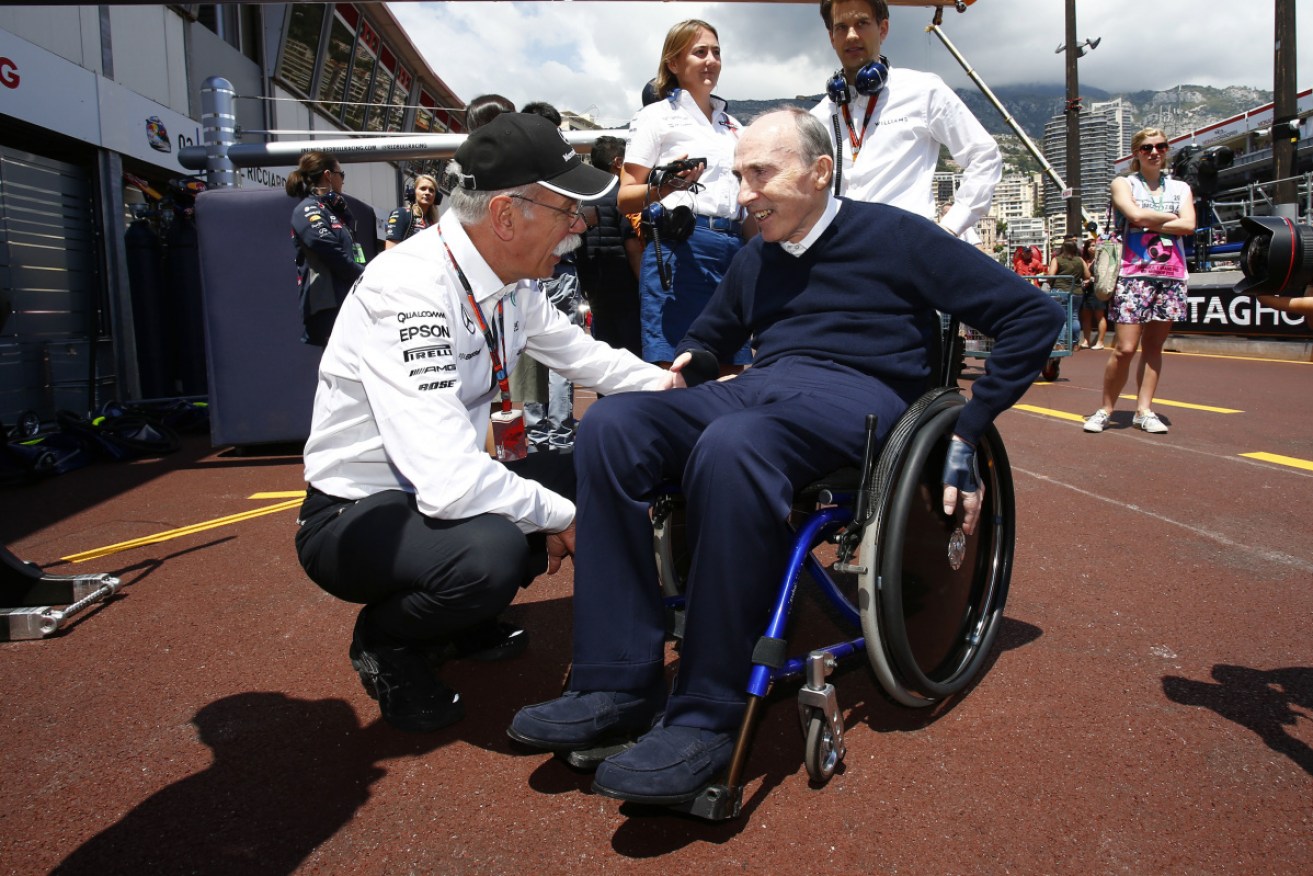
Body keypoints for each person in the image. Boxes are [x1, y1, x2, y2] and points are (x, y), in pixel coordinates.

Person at [507, 109, 1063, 805]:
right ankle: (614, 680)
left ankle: (707, 715)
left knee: (733, 446)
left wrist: (967, 430)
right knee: (612, 425)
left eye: (759, 174)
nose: (743, 192)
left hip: (859, 400)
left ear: (819, 171)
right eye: (739, 175)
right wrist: (698, 358)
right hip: (768, 389)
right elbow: (713, 338)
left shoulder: (896, 236)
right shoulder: (757, 255)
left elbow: (1032, 317)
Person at [294, 113, 678, 734]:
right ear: (505, 215)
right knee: (490, 554)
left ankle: (460, 619)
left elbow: (592, 360)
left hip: (443, 488)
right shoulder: (410, 289)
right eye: (567, 209)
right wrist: (567, 519)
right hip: (353, 513)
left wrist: (681, 386)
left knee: (594, 465)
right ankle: (389, 639)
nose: (579, 226)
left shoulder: (507, 281)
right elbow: (448, 483)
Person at [618, 19, 755, 370]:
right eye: (699, 52)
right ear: (674, 63)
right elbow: (625, 197)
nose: (711, 60)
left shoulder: (735, 126)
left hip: (734, 249)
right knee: (674, 368)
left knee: (732, 368)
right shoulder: (655, 117)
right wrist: (666, 187)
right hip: (680, 249)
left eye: (716, 52)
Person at [810, 0, 1001, 239]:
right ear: (831, 37)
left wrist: (949, 228)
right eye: (841, 27)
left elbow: (985, 155)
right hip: (842, 255)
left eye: (862, 23)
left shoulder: (923, 91)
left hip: (908, 253)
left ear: (883, 29)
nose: (851, 35)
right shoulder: (818, 117)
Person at [1084, 128, 1195, 435]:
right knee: (1125, 348)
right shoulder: (1124, 183)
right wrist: (1171, 219)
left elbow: (1190, 225)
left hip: (1171, 275)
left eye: (1160, 146)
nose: (1154, 152)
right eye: (1147, 147)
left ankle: (1143, 410)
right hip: (1133, 274)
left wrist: (1149, 218)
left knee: (1154, 347)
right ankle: (1106, 408)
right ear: (1136, 152)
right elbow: (1134, 214)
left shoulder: (1181, 188)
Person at [286, 151, 365, 346]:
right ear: (329, 175)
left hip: (349, 301)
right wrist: (365, 276)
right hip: (328, 306)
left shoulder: (337, 212)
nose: (343, 181)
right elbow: (328, 249)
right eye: (341, 174)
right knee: (337, 371)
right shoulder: (308, 209)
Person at [578, 135, 644, 357]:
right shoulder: (622, 196)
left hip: (596, 289)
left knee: (606, 353)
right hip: (626, 288)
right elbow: (633, 247)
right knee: (633, 354)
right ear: (617, 163)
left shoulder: (582, 196)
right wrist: (645, 285)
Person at [1047, 235, 1090, 350]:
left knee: (1062, 317)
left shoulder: (1057, 259)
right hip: (1076, 291)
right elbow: (1087, 276)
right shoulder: (1080, 260)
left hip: (1060, 290)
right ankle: (1075, 343)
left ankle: (1061, 343)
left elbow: (1051, 275)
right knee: (1074, 317)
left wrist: (1048, 281)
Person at [384, 174, 440, 250]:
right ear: (413, 193)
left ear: (436, 197)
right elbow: (390, 250)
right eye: (423, 189)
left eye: (431, 190)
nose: (427, 192)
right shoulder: (401, 213)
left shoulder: (434, 224)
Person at [1080, 237, 1108, 349]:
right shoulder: (1084, 260)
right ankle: (1086, 340)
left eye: (1094, 245)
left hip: (1097, 290)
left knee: (1099, 315)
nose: (1092, 248)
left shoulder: (1101, 260)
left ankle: (1100, 341)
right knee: (1086, 316)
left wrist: (1090, 280)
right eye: (1089, 246)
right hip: (1085, 291)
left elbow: (1103, 275)